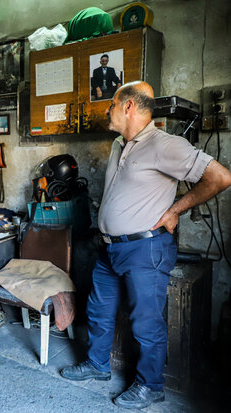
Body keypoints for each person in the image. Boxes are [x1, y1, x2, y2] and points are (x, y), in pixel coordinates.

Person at [61, 81, 231, 409]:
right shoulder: (117, 144)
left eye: (111, 104)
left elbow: (220, 177)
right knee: (98, 310)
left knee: (146, 321)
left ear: (128, 107)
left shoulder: (166, 145)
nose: (107, 110)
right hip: (109, 247)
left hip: (145, 249)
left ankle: (150, 385)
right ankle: (97, 365)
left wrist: (175, 210)